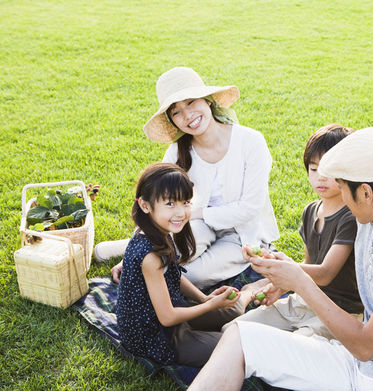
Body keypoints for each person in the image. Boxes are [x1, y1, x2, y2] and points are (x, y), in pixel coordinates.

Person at [188, 127, 373, 391]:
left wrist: (300, 281)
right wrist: (286, 279)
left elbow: (366, 345)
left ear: (366, 192)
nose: (339, 194)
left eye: (343, 186)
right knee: (239, 338)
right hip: (355, 361)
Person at [97, 67, 279, 289]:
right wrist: (132, 257)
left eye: (191, 102)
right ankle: (130, 246)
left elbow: (250, 208)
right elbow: (156, 203)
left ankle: (123, 246)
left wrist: (197, 213)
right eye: (176, 112)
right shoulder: (178, 151)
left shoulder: (251, 142)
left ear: (208, 101)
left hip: (242, 232)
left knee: (187, 277)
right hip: (194, 224)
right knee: (161, 257)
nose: (187, 116)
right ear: (172, 121)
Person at [116, 163, 264, 367]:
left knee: (232, 311)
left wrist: (204, 299)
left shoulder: (160, 231)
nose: (180, 212)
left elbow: (174, 274)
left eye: (185, 202)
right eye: (170, 204)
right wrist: (210, 306)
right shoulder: (150, 256)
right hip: (157, 338)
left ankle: (248, 292)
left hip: (173, 313)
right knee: (241, 350)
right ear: (145, 205)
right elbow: (167, 318)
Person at [223, 124, 363, 339]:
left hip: (340, 312)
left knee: (291, 348)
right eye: (314, 169)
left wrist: (283, 268)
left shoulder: (351, 217)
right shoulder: (311, 211)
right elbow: (309, 269)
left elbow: (325, 274)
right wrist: (281, 283)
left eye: (329, 171)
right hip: (303, 300)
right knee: (233, 331)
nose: (320, 177)